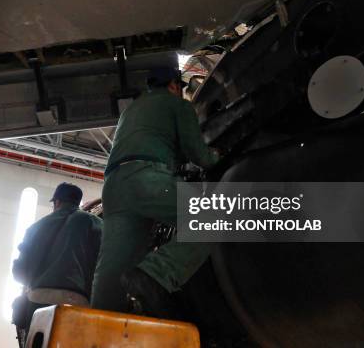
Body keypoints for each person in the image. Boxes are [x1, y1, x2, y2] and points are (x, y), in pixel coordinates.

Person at [91, 67, 220, 318]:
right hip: (146, 178)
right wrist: (217, 156)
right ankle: (155, 275)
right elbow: (199, 154)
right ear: (174, 85)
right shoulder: (177, 105)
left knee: (114, 266)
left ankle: (99, 324)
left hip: (115, 186)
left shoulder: (131, 110)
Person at [11, 183, 102, 344]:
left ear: (57, 202)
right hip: (77, 302)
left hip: (37, 301)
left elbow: (20, 273)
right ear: (78, 202)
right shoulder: (95, 223)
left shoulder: (35, 227)